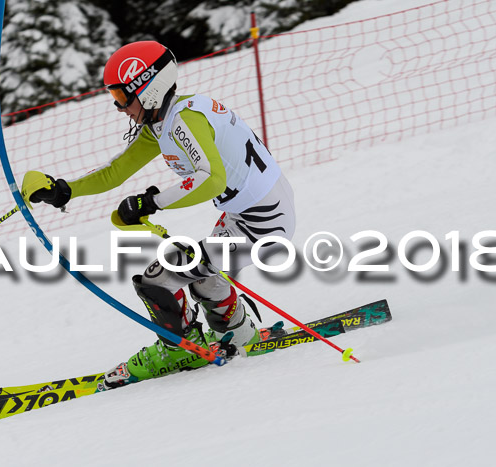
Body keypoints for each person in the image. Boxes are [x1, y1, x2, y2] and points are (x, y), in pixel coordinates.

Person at [22, 41, 295, 386]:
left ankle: (182, 350)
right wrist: (65, 189)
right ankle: (239, 335)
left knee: (159, 278)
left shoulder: (184, 119)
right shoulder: (167, 120)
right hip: (251, 215)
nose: (120, 108)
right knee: (200, 271)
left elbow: (211, 179)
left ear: (149, 88)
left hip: (263, 224)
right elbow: (116, 171)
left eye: (123, 97)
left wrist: (152, 203)